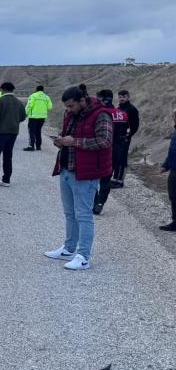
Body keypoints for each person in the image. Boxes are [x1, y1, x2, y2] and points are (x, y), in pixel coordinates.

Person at [45, 86, 114, 270]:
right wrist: (60, 141)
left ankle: (83, 257)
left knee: (83, 215)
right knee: (70, 213)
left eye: (71, 106)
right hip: (67, 169)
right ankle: (68, 249)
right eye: (66, 107)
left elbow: (105, 141)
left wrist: (74, 142)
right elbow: (69, 136)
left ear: (82, 100)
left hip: (86, 173)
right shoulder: (70, 114)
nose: (68, 109)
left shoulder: (102, 115)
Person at [92, 90, 128, 215]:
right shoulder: (122, 114)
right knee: (106, 178)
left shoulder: (98, 113)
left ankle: (94, 201)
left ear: (101, 99)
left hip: (99, 149)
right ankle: (101, 203)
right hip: (116, 149)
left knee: (92, 178)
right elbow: (126, 131)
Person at [114, 90, 140, 186]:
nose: (121, 98)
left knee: (122, 158)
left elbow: (135, 125)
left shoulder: (132, 109)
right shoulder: (118, 109)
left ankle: (120, 181)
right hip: (116, 138)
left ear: (128, 97)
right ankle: (114, 179)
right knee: (116, 158)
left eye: (123, 96)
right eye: (120, 96)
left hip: (125, 138)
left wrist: (128, 135)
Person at [23, 85, 53, 151]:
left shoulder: (33, 96)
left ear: (36, 89)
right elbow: (50, 107)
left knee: (31, 131)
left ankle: (31, 146)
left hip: (33, 117)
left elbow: (29, 105)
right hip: (42, 118)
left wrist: (25, 113)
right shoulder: (46, 97)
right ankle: (38, 146)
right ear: (43, 90)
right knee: (38, 131)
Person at [160, 108, 176, 232]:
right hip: (173, 170)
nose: (174, 118)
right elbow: (172, 151)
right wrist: (166, 165)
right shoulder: (175, 132)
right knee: (173, 195)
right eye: (174, 116)